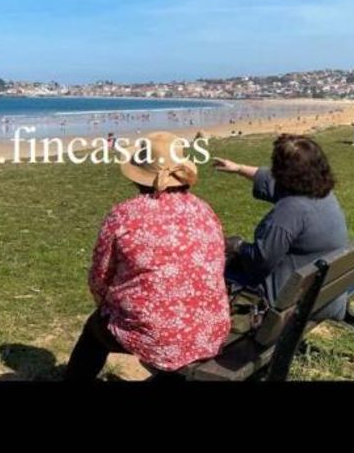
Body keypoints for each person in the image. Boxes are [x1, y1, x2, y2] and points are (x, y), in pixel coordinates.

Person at [64, 131, 231, 381]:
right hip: (208, 329)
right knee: (165, 332)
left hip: (158, 335)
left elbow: (100, 277)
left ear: (138, 176)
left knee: (95, 330)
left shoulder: (124, 215)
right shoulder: (204, 209)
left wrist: (105, 303)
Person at [212, 134, 349, 320]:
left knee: (212, 269)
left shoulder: (290, 211)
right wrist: (239, 168)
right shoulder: (323, 194)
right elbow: (270, 180)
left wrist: (238, 246)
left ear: (281, 172)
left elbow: (259, 263)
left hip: (290, 304)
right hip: (326, 296)